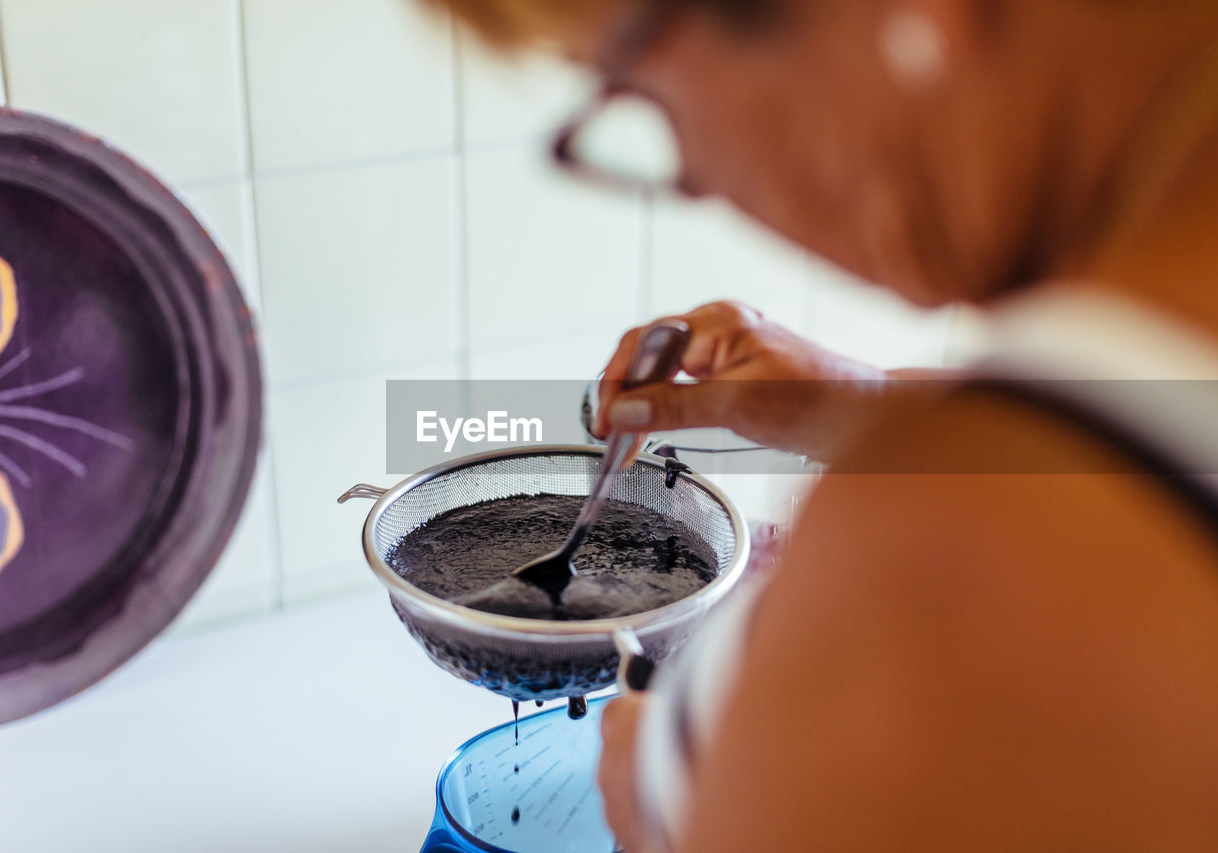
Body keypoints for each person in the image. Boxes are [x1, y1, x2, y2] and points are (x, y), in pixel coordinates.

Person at [423, 0, 1218, 849]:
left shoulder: (941, 562)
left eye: (640, 90)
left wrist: (682, 803)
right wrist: (865, 403)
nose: (695, 177)